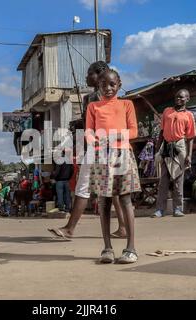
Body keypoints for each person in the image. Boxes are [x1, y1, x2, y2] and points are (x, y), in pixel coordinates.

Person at [48, 61, 127, 239]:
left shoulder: (93, 97)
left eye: (89, 74)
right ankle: (123, 227)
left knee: (83, 186)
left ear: (99, 74)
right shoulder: (112, 97)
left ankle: (70, 229)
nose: (86, 77)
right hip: (109, 146)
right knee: (112, 189)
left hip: (97, 147)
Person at [86, 69, 141, 264]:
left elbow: (133, 131)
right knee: (104, 202)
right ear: (98, 86)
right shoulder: (93, 107)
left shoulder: (127, 104)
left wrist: (114, 137)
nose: (108, 88)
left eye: (112, 84)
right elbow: (88, 132)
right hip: (101, 156)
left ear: (119, 84)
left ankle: (131, 248)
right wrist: (96, 142)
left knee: (125, 199)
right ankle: (107, 248)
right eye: (103, 85)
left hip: (122, 153)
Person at [152, 89, 196, 218]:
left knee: (178, 179)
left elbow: (190, 137)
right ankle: (160, 210)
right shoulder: (167, 111)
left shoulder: (189, 115)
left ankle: (178, 208)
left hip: (180, 145)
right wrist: (158, 149)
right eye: (177, 97)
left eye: (182, 97)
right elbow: (161, 132)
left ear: (187, 99)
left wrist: (189, 155)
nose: (178, 99)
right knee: (164, 180)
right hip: (166, 145)